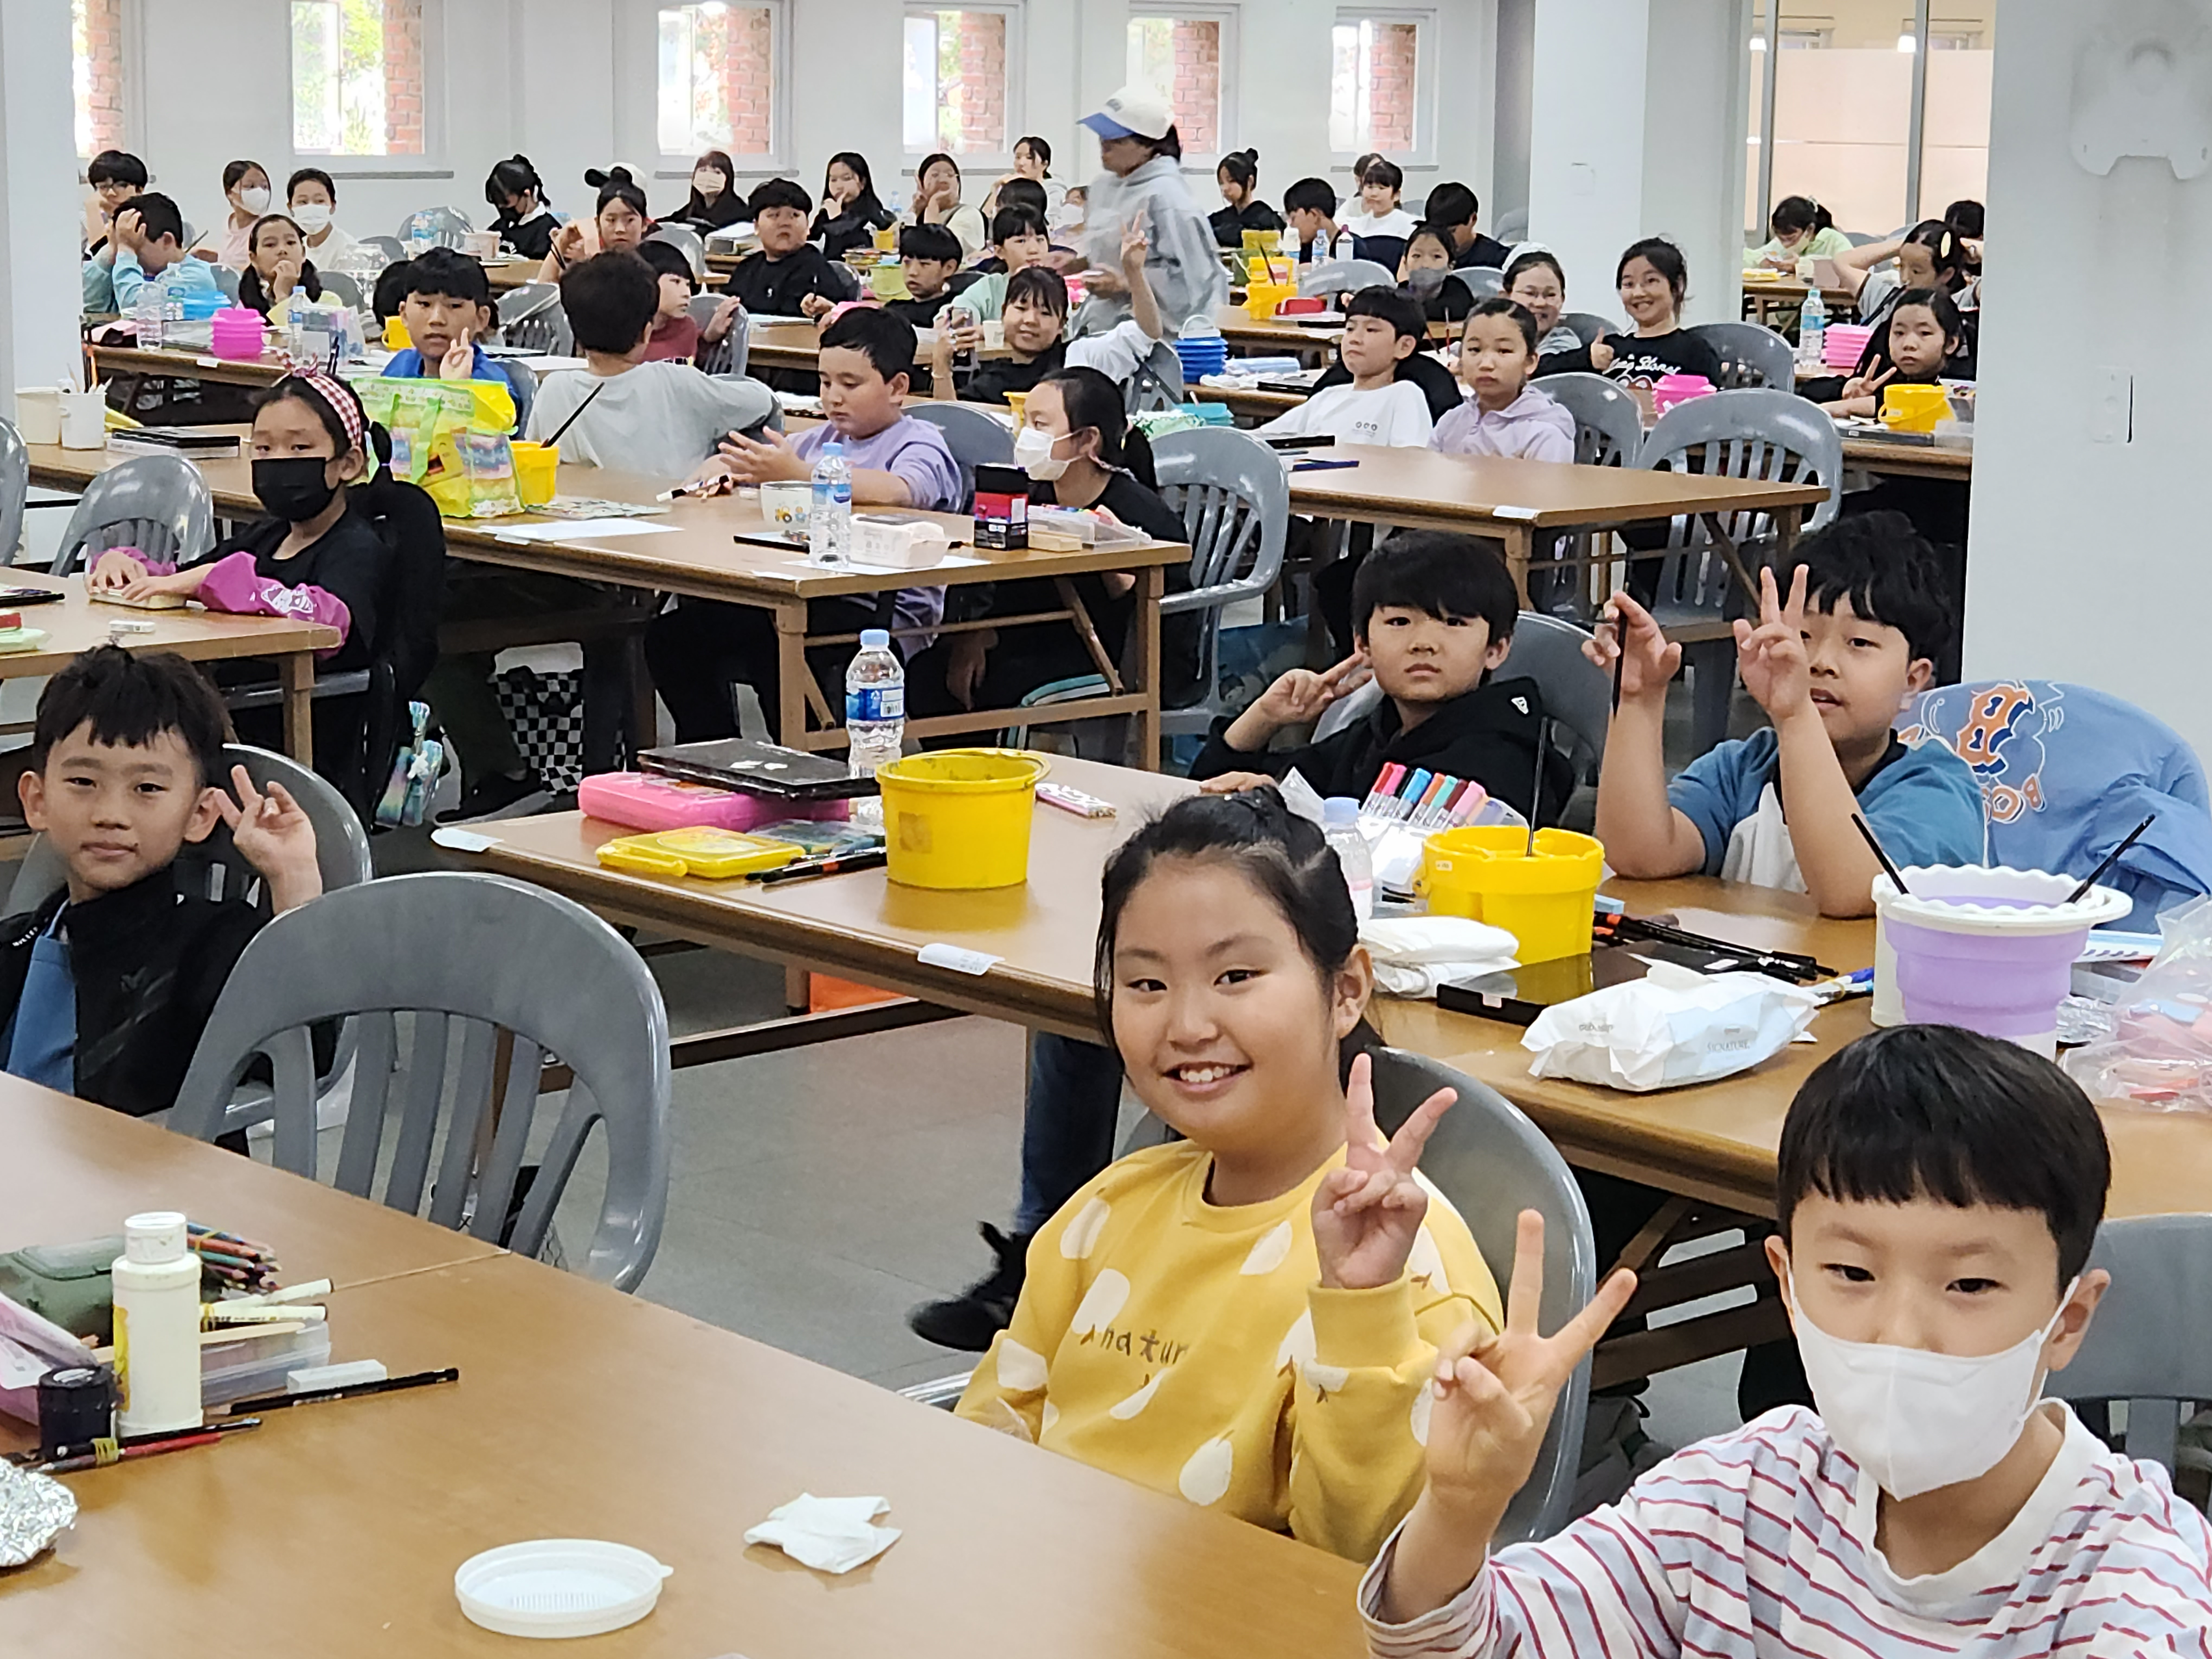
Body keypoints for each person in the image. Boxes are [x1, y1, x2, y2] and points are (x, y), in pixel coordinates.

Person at [1361, 1023, 2212, 1657]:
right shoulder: (1742, 1496)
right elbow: (1477, 1643)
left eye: (1968, 1286)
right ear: (1786, 1280)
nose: (1897, 1332)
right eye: (1848, 1275)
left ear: (2066, 1318)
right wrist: (1461, 1510)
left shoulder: (2129, 1576)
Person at [954, 787, 1501, 1564]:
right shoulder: (1109, 1208)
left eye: (1236, 976)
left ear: (1346, 990)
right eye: (1146, 984)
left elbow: (1376, 1567)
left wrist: (1361, 1317)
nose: (1186, 1025)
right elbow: (987, 1442)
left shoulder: (1406, 1274)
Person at [1589, 512, 1981, 918]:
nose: (1821, 662)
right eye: (1802, 637)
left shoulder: (1936, 792)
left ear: (1914, 681)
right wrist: (1638, 700)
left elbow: (1849, 892)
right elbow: (1639, 856)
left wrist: (1796, 717)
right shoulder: (1744, 770)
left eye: (1859, 642)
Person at [0, 648, 322, 1115]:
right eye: (83, 783)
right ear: (37, 801)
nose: (110, 815)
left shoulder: (212, 946)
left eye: (147, 789)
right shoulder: (21, 943)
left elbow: (308, 1049)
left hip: (148, 1182)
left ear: (200, 813)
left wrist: (292, 879)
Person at [646, 307, 957, 741]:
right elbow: (750, 464)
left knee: (774, 645)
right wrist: (720, 469)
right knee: (672, 637)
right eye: (826, 382)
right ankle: (715, 751)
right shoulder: (819, 438)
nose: (834, 397)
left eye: (851, 385)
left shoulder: (919, 441)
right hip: (799, 587)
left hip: (877, 606)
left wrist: (797, 472)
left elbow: (902, 490)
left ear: (898, 387)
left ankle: (809, 763)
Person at [89, 372, 395, 774]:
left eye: (299, 447)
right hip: (213, 723)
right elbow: (182, 577)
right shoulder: (266, 536)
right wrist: (126, 565)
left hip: (285, 735)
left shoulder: (355, 547)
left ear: (348, 464)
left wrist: (219, 583)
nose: (278, 460)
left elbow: (330, 621)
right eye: (264, 448)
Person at [1193, 531, 1570, 821]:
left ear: (1497, 649)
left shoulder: (1501, 762)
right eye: (1399, 622)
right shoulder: (1377, 733)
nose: (1424, 643)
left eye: (1454, 623)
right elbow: (1212, 790)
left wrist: (1287, 805)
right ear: (1363, 645)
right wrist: (1264, 718)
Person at [907, 365, 1197, 720]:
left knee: (1002, 687)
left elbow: (1163, 620)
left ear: (1087, 439)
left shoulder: (1140, 514)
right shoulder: (1031, 495)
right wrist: (978, 632)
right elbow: (999, 580)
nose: (1026, 436)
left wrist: (1122, 575)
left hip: (1110, 653)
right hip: (1032, 635)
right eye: (1025, 422)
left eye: (1040, 425)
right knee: (927, 673)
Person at [526, 251, 774, 471]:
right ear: (647, 332)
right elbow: (763, 402)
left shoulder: (553, 389)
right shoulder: (676, 382)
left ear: (573, 332)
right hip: (677, 517)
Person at [933, 223, 1163, 407]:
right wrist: (941, 367)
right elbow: (956, 428)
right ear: (1004, 314)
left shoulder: (1081, 359)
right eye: (1021, 309)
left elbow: (1148, 332)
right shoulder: (990, 381)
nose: (1030, 320)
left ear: (1062, 324)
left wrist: (1134, 273)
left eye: (1045, 313)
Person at [1075, 84, 1229, 337]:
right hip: (1105, 326)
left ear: (1148, 146)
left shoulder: (1167, 196)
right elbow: (1111, 248)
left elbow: (1194, 282)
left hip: (1155, 336)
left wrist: (1125, 285)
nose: (1105, 144)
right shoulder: (1105, 186)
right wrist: (1075, 262)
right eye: (1103, 136)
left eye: (1117, 139)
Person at [1256, 287, 1435, 446]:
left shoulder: (1404, 395)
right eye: (1350, 329)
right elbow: (1263, 437)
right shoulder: (1328, 397)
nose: (1355, 339)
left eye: (1371, 330)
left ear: (1404, 346)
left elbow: (1412, 464)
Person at [1542, 238, 1722, 387]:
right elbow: (1534, 374)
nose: (1638, 293)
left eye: (1651, 281)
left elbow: (1707, 414)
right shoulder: (1609, 347)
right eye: (1629, 284)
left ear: (1677, 287)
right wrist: (1587, 359)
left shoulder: (1695, 351)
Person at [1430, 300, 1574, 464]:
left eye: (1504, 351)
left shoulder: (1544, 432)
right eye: (1475, 350)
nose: (1486, 364)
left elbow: (1545, 490)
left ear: (1530, 362)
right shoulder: (1452, 421)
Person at [1817, 288, 1971, 417]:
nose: (1908, 345)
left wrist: (1851, 407)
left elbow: (1917, 406)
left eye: (1924, 333)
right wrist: (1845, 389)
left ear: (1951, 343)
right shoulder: (1884, 365)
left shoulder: (1964, 378)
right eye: (1899, 333)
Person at [717, 178, 845, 317]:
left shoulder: (816, 268)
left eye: (794, 216)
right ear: (756, 227)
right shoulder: (746, 269)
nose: (785, 223)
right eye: (774, 216)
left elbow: (843, 317)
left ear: (808, 226)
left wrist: (829, 311)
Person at [94, 192, 220, 317]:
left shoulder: (195, 279)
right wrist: (112, 248)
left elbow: (136, 310)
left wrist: (126, 249)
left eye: (136, 247)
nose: (132, 259)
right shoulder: (144, 274)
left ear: (166, 241)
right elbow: (92, 305)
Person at [936, 204, 1053, 319]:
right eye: (1021, 241)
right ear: (1000, 252)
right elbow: (959, 308)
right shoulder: (991, 288)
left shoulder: (1055, 288)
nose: (1034, 250)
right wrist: (957, 317)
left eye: (1040, 240)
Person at [539, 166, 651, 280]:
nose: (620, 229)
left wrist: (592, 260)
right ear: (598, 221)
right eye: (611, 220)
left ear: (645, 223)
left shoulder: (655, 260)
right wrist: (560, 245)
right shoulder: (584, 239)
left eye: (630, 220)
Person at [880, 221, 978, 330]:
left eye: (924, 264)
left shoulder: (953, 313)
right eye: (907, 263)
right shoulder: (893, 311)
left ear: (949, 268)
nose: (913, 272)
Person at [235, 214, 323, 324]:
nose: (282, 250)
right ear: (254, 259)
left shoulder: (327, 301)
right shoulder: (241, 306)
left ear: (304, 253)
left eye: (290, 243)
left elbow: (300, 339)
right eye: (271, 245)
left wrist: (283, 296)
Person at [1503, 248, 1587, 362]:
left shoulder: (1565, 344)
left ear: (1563, 299)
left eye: (1551, 295)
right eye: (1530, 293)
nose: (1540, 304)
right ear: (1506, 296)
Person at [811, 151, 896, 262]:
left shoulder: (875, 218)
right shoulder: (825, 215)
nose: (839, 186)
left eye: (846, 179)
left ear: (862, 183)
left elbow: (847, 253)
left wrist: (838, 221)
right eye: (833, 180)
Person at [189, 159, 272, 269]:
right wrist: (211, 257)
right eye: (251, 186)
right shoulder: (229, 223)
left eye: (265, 187)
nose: (260, 192)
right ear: (230, 193)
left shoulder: (265, 229)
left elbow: (259, 271)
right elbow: (233, 260)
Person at [908, 152, 987, 261]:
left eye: (950, 175)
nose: (943, 180)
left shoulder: (969, 214)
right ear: (922, 184)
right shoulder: (925, 211)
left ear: (958, 183)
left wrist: (933, 204)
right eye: (935, 175)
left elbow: (939, 250)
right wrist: (917, 213)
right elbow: (897, 242)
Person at [635, 239, 703, 362]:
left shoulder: (687, 329)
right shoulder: (623, 330)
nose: (687, 294)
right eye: (676, 282)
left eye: (688, 285)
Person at [1421, 182, 1512, 271]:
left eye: (1452, 232)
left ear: (1473, 220)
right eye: (1437, 231)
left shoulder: (1498, 259)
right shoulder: (1419, 254)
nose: (1445, 239)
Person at [485, 155, 560, 261]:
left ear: (527, 195)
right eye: (498, 204)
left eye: (507, 203)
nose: (502, 208)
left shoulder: (548, 233)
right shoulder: (499, 227)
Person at [1747, 193, 1850, 268]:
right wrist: (1761, 262)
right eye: (1781, 239)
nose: (1785, 245)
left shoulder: (1833, 240)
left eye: (1791, 239)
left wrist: (1801, 265)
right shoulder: (1781, 244)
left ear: (1810, 230)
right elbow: (1753, 257)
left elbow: (1850, 267)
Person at [285, 168, 361, 271]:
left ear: (333, 206)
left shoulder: (347, 250)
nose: (311, 208)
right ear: (291, 208)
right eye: (303, 202)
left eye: (320, 201)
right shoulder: (296, 247)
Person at [1210, 148, 1285, 249]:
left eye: (1231, 181)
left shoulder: (1266, 217)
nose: (1225, 188)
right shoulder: (1219, 218)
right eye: (1222, 183)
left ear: (1250, 181)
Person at [983, 135, 1068, 221]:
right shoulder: (1008, 185)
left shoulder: (1053, 190)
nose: (1021, 163)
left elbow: (1049, 224)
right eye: (1018, 157)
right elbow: (984, 222)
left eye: (1030, 158)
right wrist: (997, 189)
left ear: (1044, 165)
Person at [1398, 223, 1470, 323]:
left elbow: (1457, 310)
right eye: (1417, 256)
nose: (1425, 265)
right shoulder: (1398, 295)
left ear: (1450, 266)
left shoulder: (1459, 292)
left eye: (1437, 257)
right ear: (1405, 263)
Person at [82, 148, 146, 258]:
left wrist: (92, 209)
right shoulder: (90, 219)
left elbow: (103, 257)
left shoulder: (154, 214)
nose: (111, 193)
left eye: (121, 185)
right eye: (104, 187)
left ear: (140, 189)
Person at [1341, 159, 1417, 246]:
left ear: (1396, 195)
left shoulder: (1411, 227)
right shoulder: (1354, 227)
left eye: (1382, 188)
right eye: (1370, 187)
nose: (1374, 194)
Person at [674, 149, 748, 233]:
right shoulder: (691, 209)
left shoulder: (740, 212)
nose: (708, 177)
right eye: (703, 170)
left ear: (728, 179)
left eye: (717, 172)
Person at [1285, 177, 1355, 265]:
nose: (1292, 225)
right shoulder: (1305, 250)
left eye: (1294, 218)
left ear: (1314, 215)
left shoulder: (1352, 248)